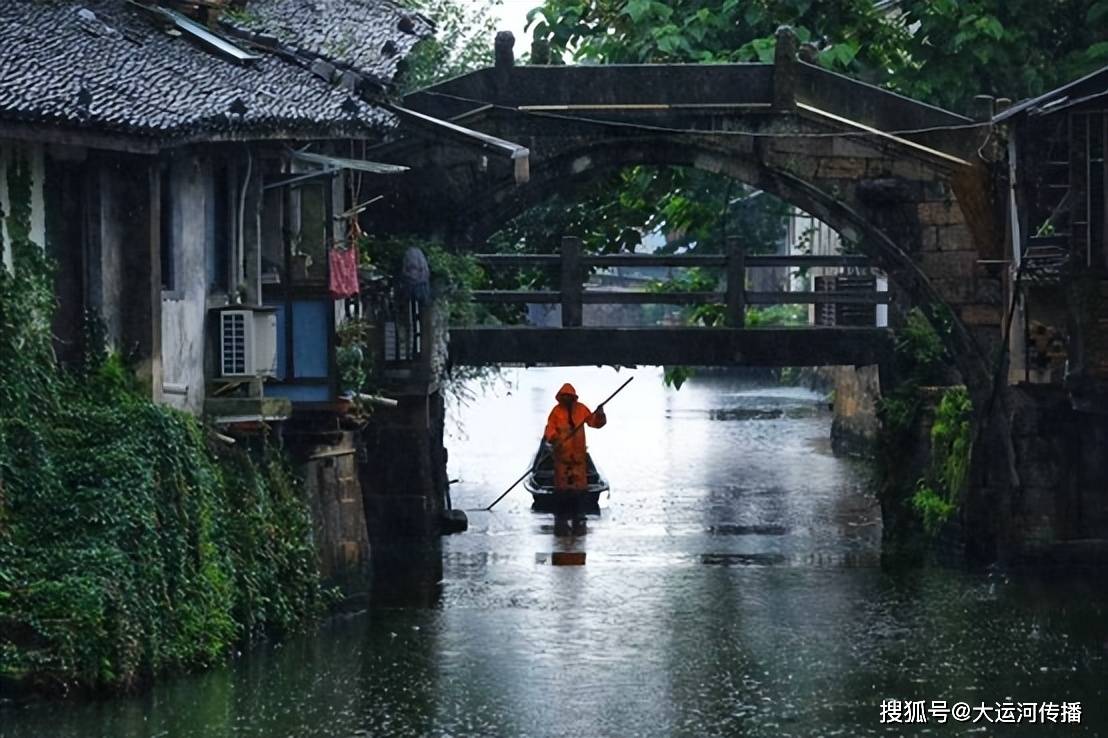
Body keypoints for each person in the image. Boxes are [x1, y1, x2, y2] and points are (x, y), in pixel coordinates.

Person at [543, 383, 607, 491]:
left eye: (569, 396)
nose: (567, 398)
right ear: (561, 397)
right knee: (562, 490)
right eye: (564, 396)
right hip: (562, 458)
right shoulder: (556, 411)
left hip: (579, 460)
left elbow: (595, 423)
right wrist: (554, 438)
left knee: (581, 490)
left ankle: (581, 502)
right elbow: (549, 428)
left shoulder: (581, 409)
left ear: (573, 397)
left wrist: (600, 414)